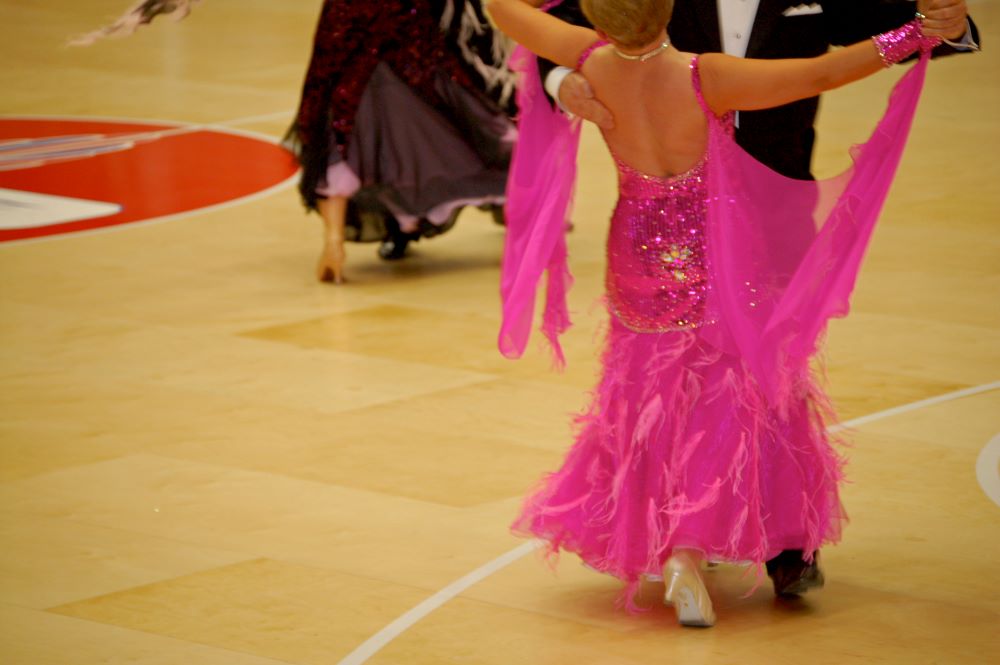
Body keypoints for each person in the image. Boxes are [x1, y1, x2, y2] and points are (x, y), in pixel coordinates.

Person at [487, 0, 959, 627]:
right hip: (718, 254)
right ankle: (690, 544)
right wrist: (913, 33)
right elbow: (822, 74)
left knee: (648, 391)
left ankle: (669, 543)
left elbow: (506, 10)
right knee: (732, 389)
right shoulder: (704, 75)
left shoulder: (592, 62)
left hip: (636, 252)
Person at [542, 0, 977, 180]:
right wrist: (562, 81)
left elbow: (878, 21)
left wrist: (941, 26)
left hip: (782, 175)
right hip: (668, 194)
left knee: (776, 337)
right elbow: (564, 16)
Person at [287, 0, 518, 283]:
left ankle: (335, 238)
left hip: (358, 15)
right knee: (437, 111)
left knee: (338, 106)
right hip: (403, 19)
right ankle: (520, 221)